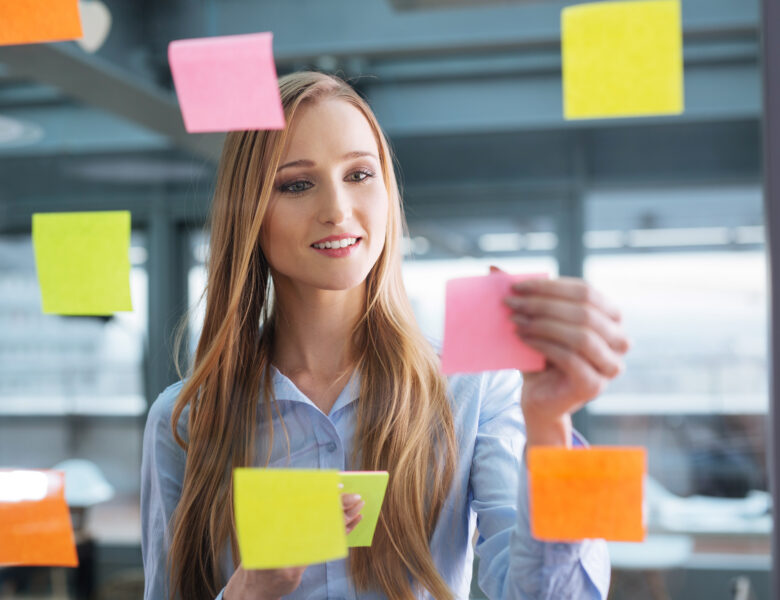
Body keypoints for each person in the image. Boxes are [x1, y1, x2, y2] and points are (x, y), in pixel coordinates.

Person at [141, 71, 629, 600]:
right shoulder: (184, 420)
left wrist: (551, 426)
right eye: (297, 184)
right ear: (251, 212)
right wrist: (246, 592)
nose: (337, 210)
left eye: (359, 174)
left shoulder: (475, 389)